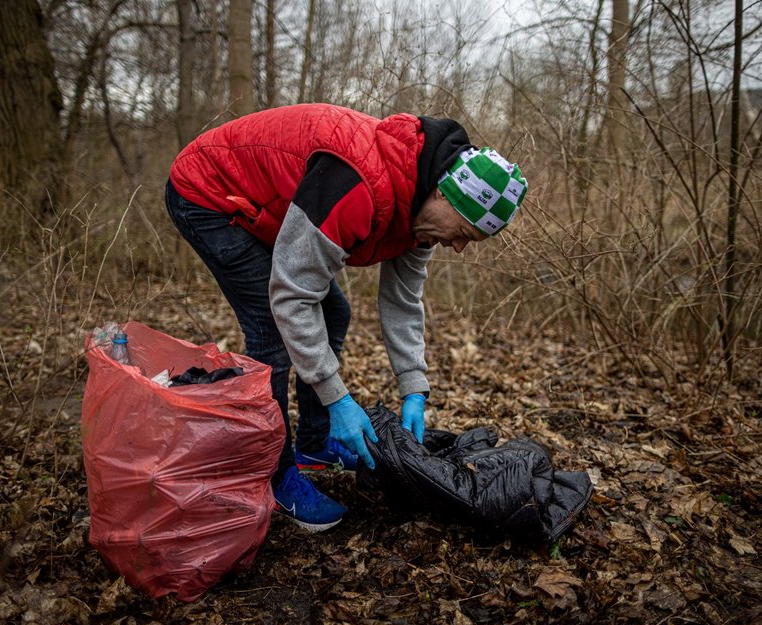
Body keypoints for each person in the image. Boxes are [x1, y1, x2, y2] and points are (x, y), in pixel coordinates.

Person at [165, 104, 527, 532]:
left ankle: (315, 446)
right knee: (272, 330)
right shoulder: (359, 184)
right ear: (444, 194)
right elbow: (292, 296)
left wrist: (414, 387)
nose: (460, 248)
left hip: (269, 209)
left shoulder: (423, 213)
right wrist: (338, 398)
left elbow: (403, 301)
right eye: (464, 234)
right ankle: (276, 477)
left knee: (334, 311)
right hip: (211, 192)